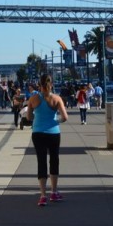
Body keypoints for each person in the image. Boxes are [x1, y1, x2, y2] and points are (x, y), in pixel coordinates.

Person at [26, 74, 69, 206]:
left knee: (41, 161)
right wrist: (56, 121)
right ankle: (54, 192)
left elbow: (28, 117)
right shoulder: (57, 99)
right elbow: (65, 117)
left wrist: (38, 118)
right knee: (54, 160)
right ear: (52, 84)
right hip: (53, 133)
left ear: (39, 84)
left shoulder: (33, 98)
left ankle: (43, 195)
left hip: (38, 133)